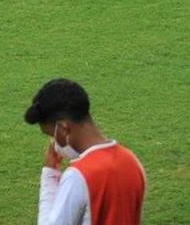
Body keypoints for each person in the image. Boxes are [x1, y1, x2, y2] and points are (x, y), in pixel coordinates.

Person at [23, 78, 146, 225]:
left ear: (63, 128)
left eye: (51, 135)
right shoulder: (132, 162)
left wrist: (50, 173)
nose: (53, 143)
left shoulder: (78, 176)